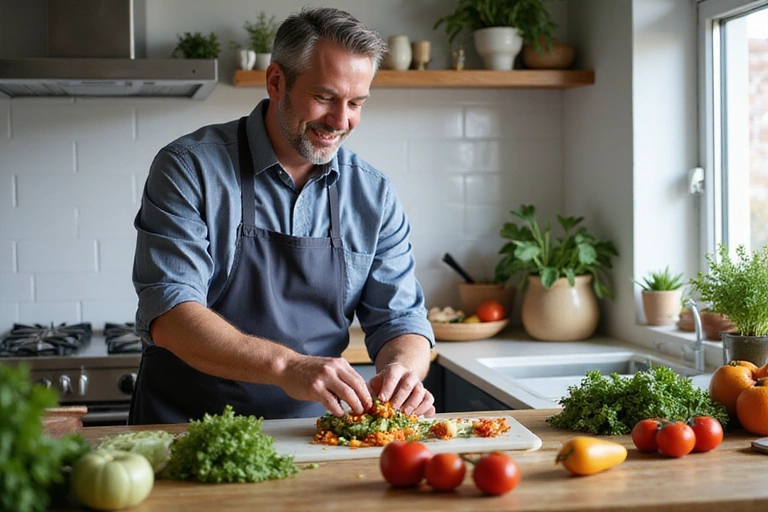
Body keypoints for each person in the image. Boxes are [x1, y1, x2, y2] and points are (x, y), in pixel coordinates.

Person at [129, 6, 435, 425]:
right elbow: (171, 313)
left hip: (309, 433)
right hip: (186, 428)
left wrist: (404, 369)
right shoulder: (189, 168)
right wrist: (287, 367)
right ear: (276, 81)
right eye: (324, 97)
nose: (340, 121)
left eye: (356, 103)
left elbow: (401, 318)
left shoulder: (373, 194)